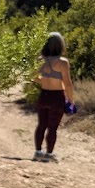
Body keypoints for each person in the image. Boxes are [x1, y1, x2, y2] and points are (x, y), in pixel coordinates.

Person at [33, 32, 74, 162]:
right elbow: (67, 83)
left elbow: (34, 78)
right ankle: (49, 154)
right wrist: (71, 100)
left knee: (41, 125)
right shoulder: (63, 63)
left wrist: (44, 80)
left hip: (44, 95)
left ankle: (38, 152)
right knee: (53, 127)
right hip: (57, 97)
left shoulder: (40, 60)